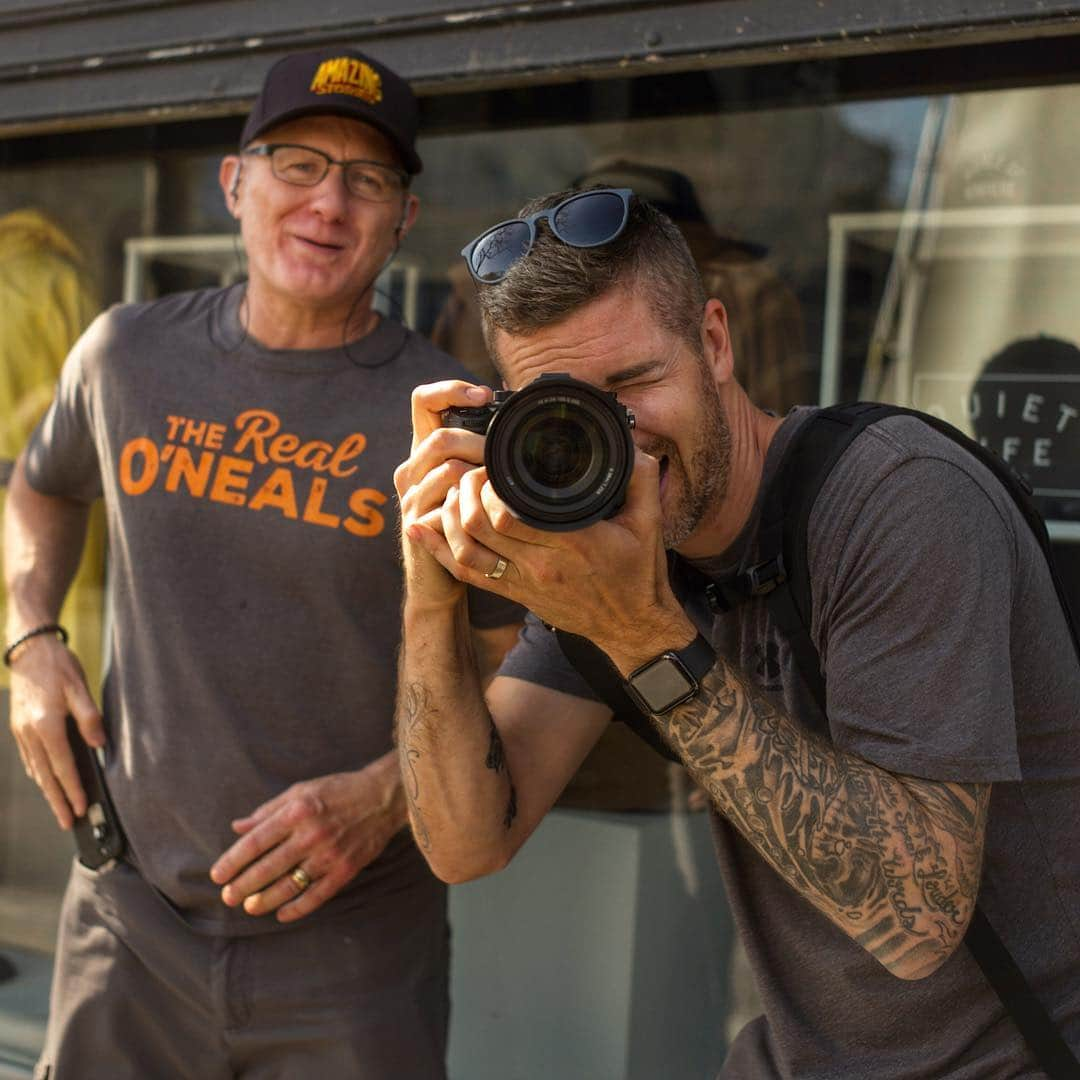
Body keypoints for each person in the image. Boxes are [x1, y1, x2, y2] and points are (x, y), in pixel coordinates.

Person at [393, 187, 1080, 1076]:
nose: (621, 439)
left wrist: (642, 635)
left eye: (634, 384)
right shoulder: (608, 558)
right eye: (567, 408)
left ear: (715, 343)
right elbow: (464, 842)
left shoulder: (898, 499)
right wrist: (428, 585)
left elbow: (917, 922)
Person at [4, 47, 519, 1078]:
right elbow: (37, 486)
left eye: (367, 179)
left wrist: (385, 797)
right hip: (127, 921)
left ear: (403, 218)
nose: (329, 203)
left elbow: (516, 662)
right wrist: (29, 636)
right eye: (296, 164)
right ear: (234, 184)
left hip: (353, 951)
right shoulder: (122, 356)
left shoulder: (454, 419)